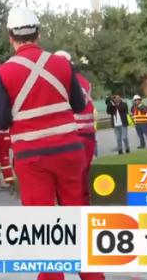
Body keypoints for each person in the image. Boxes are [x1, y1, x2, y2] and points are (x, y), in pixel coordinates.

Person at [0, 8, 103, 280]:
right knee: (76, 214)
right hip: (69, 150)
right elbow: (79, 104)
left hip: (32, 156)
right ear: (38, 34)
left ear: (11, 37)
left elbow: (1, 120)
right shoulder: (63, 65)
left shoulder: (3, 72)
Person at [54, 50, 95, 204]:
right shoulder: (83, 80)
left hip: (73, 134)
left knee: (71, 181)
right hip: (87, 134)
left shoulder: (65, 80)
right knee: (82, 179)